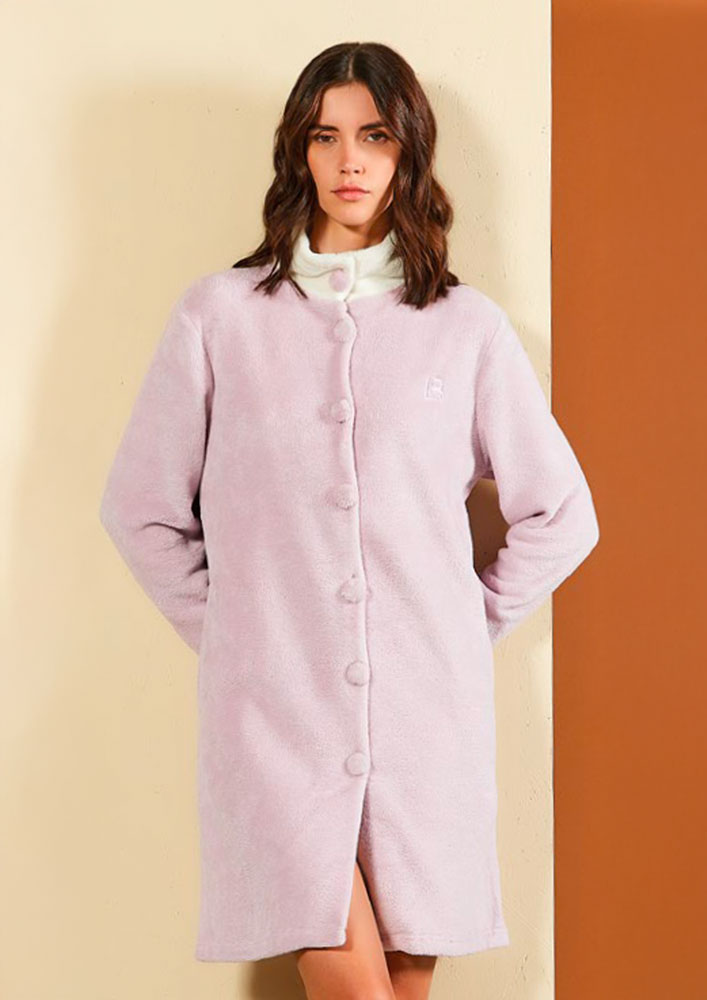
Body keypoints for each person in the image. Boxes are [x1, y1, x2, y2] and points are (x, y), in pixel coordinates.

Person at [99, 41, 600, 1000]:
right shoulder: (219, 316)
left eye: (373, 136)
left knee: (402, 986)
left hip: (426, 714)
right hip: (271, 710)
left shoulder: (464, 328)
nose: (349, 161)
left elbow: (561, 514)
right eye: (324, 137)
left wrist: (461, 625)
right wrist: (239, 633)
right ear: (298, 151)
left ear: (407, 150)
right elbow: (141, 509)